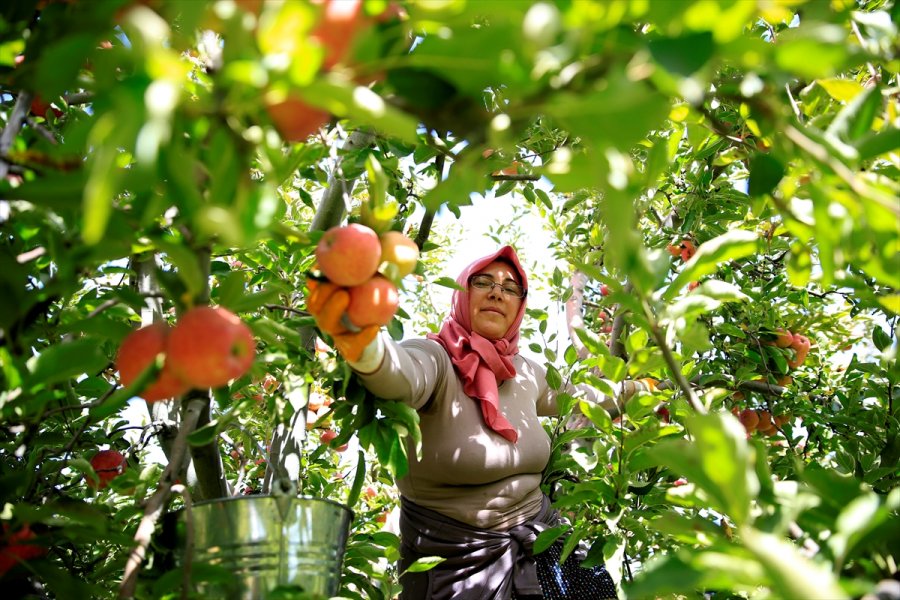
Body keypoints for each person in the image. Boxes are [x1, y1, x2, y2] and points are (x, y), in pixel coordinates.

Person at [307, 245, 640, 600]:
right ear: (462, 293)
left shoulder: (525, 372)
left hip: (544, 542)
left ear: (519, 305)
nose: (497, 292)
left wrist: (642, 388)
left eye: (511, 288)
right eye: (483, 282)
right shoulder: (435, 358)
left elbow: (585, 398)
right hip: (458, 564)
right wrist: (361, 335)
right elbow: (400, 375)